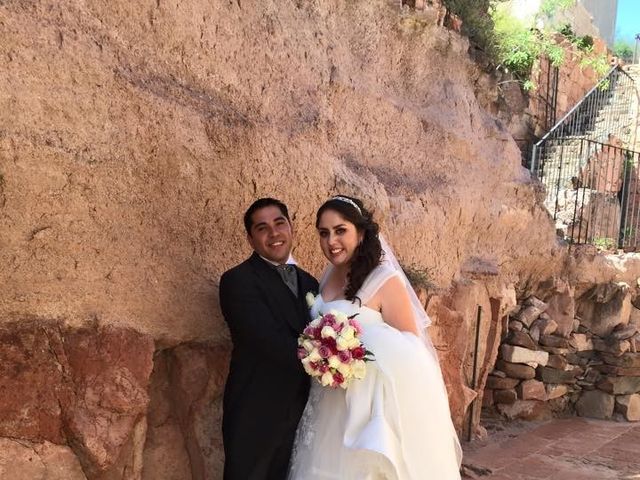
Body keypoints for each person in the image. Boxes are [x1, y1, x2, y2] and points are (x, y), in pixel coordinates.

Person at [289, 195, 462, 479]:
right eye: (324, 233)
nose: (331, 240)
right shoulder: (328, 276)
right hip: (326, 405)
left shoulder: (383, 278)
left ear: (361, 232)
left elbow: (412, 348)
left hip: (364, 408)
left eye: (340, 230)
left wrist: (352, 354)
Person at [220, 198, 319, 480]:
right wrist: (327, 360)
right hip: (256, 411)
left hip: (302, 412)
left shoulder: (311, 283)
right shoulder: (237, 281)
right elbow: (267, 340)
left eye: (279, 223)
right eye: (262, 228)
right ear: (251, 239)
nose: (274, 233)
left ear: (291, 228)